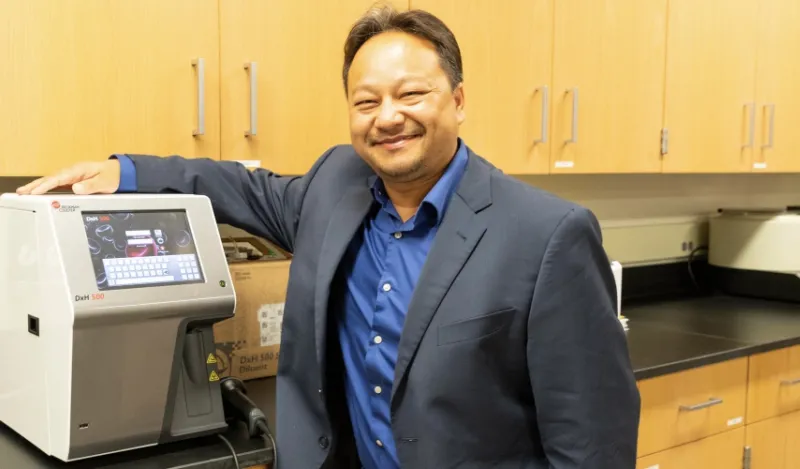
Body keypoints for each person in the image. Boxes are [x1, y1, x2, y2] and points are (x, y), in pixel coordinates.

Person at [17, 5, 640, 469]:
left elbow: (593, 442)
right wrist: (121, 173)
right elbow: (234, 185)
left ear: (458, 100)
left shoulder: (546, 234)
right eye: (366, 101)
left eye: (411, 94)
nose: (388, 116)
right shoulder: (334, 185)